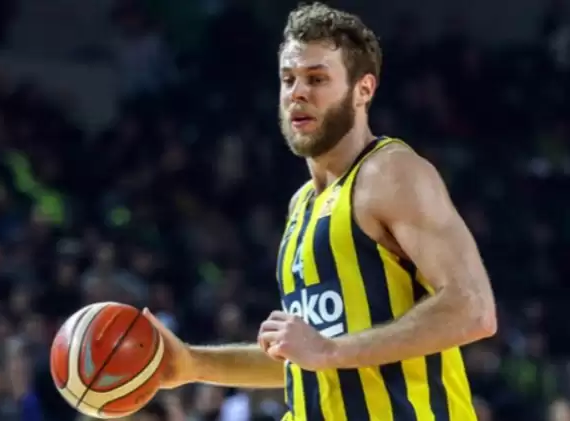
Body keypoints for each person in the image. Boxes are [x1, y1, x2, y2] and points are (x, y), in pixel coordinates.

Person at [142, 2, 497, 420]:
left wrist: (329, 350)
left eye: (317, 79)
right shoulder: (302, 205)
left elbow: (473, 309)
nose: (298, 93)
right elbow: (308, 363)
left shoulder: (391, 173)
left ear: (363, 89)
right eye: (288, 79)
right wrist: (192, 364)